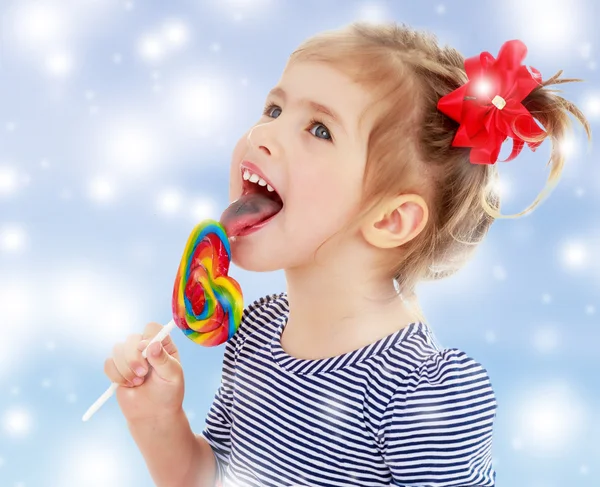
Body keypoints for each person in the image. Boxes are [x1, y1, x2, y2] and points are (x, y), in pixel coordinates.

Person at [104, 21, 591, 487]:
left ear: (389, 220)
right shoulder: (254, 335)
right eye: (274, 110)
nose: (261, 135)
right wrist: (157, 418)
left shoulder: (417, 393)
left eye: (319, 129)